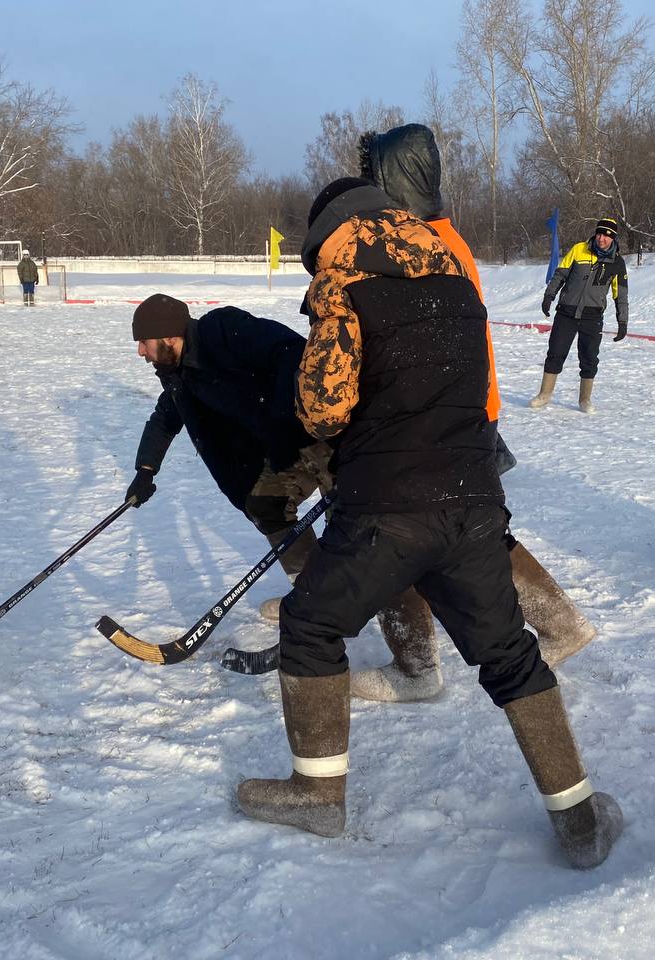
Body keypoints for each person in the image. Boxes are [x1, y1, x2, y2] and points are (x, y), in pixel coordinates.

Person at [236, 177, 622, 869]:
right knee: (509, 655)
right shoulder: (459, 285)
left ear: (332, 236)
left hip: (386, 506)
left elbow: (323, 407)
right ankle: (580, 817)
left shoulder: (342, 285)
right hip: (473, 502)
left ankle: (317, 795)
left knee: (311, 624)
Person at [353, 122, 596, 701]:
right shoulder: (436, 236)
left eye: (375, 179)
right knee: (470, 533)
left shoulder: (423, 244)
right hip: (460, 410)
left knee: (400, 530)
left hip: (444, 413)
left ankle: (415, 666)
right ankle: (559, 623)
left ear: (395, 181)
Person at [125, 294, 425, 659]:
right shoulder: (179, 375)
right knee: (265, 504)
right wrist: (145, 471)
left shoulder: (225, 329)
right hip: (286, 451)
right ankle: (311, 594)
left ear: (169, 336)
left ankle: (415, 659)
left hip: (325, 434)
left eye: (144, 342)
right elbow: (163, 420)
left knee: (361, 539)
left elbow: (290, 350)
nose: (140, 351)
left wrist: (287, 417)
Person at [531, 218, 629, 412]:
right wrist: (549, 295)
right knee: (555, 353)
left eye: (607, 236)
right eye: (600, 234)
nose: (602, 239)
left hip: (592, 317)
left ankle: (585, 400)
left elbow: (621, 294)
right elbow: (560, 274)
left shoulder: (617, 262)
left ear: (613, 239)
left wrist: (622, 321)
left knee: (589, 357)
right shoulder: (579, 249)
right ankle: (544, 394)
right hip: (566, 312)